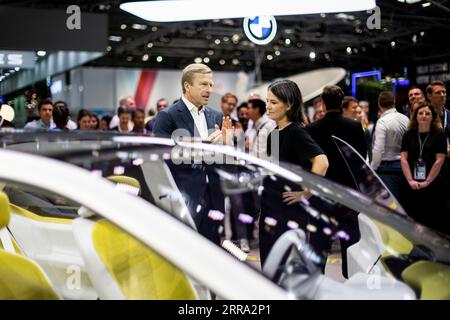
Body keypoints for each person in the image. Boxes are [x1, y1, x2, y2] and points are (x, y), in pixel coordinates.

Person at [153, 63, 232, 245]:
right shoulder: (167, 116)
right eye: (203, 84)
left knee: (212, 250)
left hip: (213, 196)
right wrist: (203, 147)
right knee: (182, 249)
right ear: (187, 86)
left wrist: (227, 146)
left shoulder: (217, 116)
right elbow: (160, 157)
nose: (209, 89)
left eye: (211, 85)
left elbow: (225, 160)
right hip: (182, 196)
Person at [260, 79, 329, 266]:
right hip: (271, 205)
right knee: (270, 263)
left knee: (283, 264)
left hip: (288, 210)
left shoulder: (297, 131)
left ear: (289, 104)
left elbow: (322, 162)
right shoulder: (274, 133)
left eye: (273, 102)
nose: (268, 106)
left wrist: (306, 192)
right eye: (267, 101)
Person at [306, 85, 367, 278]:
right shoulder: (355, 127)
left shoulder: (312, 129)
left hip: (321, 192)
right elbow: (362, 160)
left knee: (318, 242)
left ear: (322, 103)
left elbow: (308, 161)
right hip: (348, 194)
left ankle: (317, 285)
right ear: (342, 103)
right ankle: (353, 286)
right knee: (350, 244)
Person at [400, 102, 448, 234]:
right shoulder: (408, 135)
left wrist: (427, 182)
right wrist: (410, 180)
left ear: (433, 117)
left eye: (428, 114)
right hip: (412, 184)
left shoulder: (439, 135)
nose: (424, 116)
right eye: (420, 113)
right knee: (415, 218)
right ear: (415, 116)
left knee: (434, 219)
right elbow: (403, 158)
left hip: (435, 183)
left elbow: (440, 160)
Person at [371, 91, 409, 200]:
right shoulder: (405, 119)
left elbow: (378, 149)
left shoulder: (382, 122)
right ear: (394, 102)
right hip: (405, 168)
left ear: (379, 104)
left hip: (387, 170)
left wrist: (373, 167)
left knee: (391, 208)